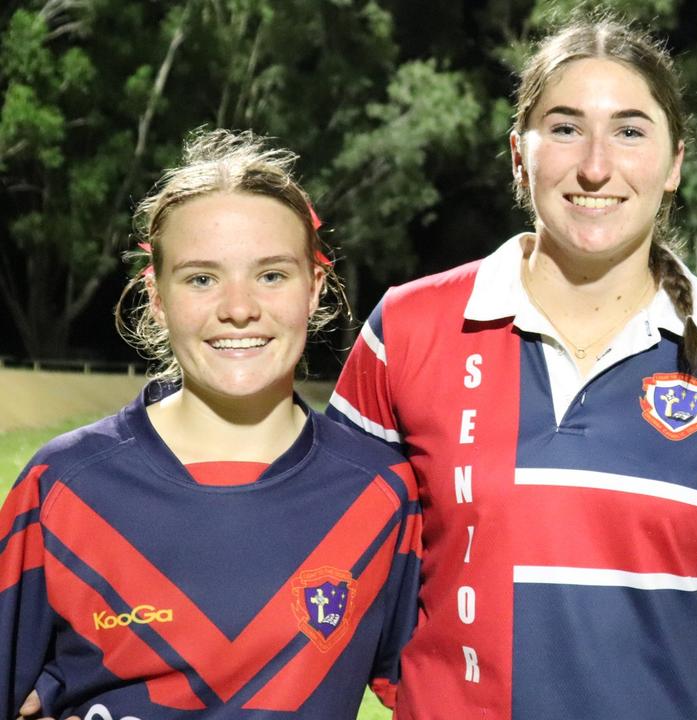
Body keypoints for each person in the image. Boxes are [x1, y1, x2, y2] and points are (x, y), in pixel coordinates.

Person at [325, 17, 697, 719]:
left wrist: (682, 567)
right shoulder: (408, 329)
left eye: (630, 131)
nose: (596, 165)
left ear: (675, 162)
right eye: (564, 129)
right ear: (518, 154)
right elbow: (330, 553)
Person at [0, 130, 422, 719]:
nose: (239, 307)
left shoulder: (381, 495)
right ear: (156, 295)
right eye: (202, 278)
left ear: (314, 289)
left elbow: (446, 688)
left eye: (271, 275)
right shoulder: (61, 489)